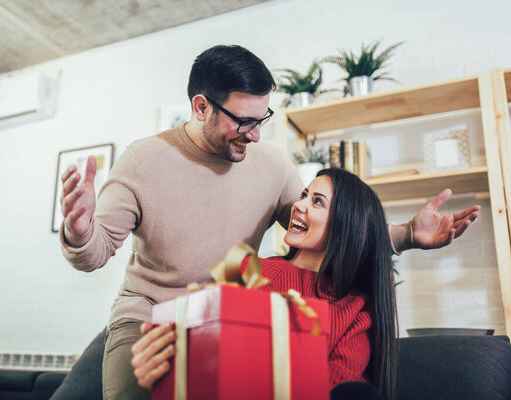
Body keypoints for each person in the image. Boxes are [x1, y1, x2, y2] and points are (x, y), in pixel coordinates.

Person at [59, 45, 480, 400]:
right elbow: (94, 252)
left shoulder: (272, 165)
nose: (256, 134)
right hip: (153, 318)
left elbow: (328, 225)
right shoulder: (142, 160)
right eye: (244, 121)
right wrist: (80, 232)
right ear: (201, 107)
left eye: (262, 118)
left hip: (238, 314)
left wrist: (406, 235)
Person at [131, 168, 396, 399]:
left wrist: (257, 364)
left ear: (344, 229)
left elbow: (341, 381)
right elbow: (205, 340)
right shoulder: (249, 269)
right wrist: (164, 354)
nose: (299, 205)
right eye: (304, 195)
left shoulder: (357, 306)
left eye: (317, 202)